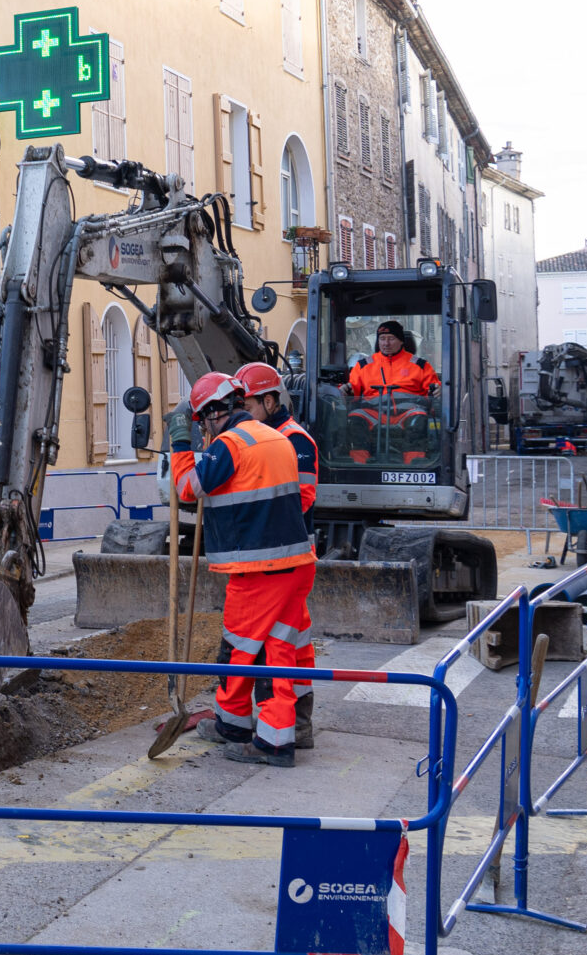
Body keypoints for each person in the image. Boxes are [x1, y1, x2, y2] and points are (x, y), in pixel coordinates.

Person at [173, 371, 318, 768]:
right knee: (278, 653)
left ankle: (251, 734)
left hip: (260, 569)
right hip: (294, 563)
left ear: (214, 412)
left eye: (203, 420)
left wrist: (180, 443)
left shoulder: (232, 443)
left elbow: (188, 487)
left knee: (238, 650)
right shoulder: (276, 438)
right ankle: (257, 733)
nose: (204, 428)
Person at [235, 359, 318, 749]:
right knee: (293, 640)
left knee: (280, 643)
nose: (242, 415)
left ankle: (287, 726)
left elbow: (301, 498)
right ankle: (297, 723)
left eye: (247, 406)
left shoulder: (294, 439)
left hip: (286, 554)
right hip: (282, 555)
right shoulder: (259, 438)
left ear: (270, 401)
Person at [347, 321, 439, 397]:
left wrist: (439, 390)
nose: (386, 343)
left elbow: (434, 389)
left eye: (391, 338)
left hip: (410, 412)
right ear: (378, 341)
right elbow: (352, 390)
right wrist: (345, 390)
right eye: (382, 339)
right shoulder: (363, 366)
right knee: (356, 416)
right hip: (372, 411)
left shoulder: (421, 366)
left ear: (401, 341)